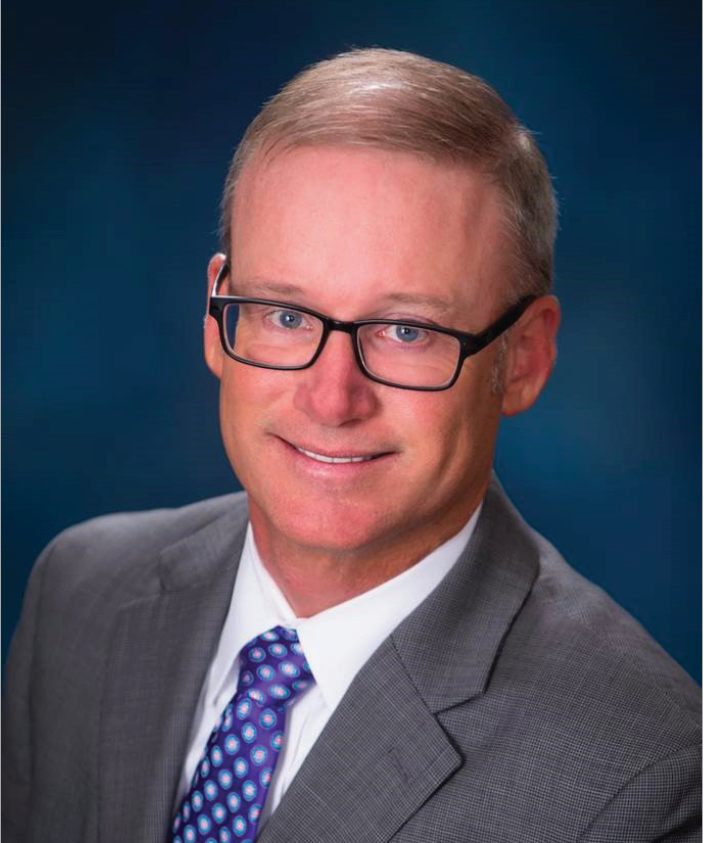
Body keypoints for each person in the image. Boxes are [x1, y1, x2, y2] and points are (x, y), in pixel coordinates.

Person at [3, 48, 700, 843]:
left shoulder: (640, 777)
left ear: (525, 359)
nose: (333, 398)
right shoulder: (80, 594)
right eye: (286, 315)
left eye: (407, 330)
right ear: (215, 317)